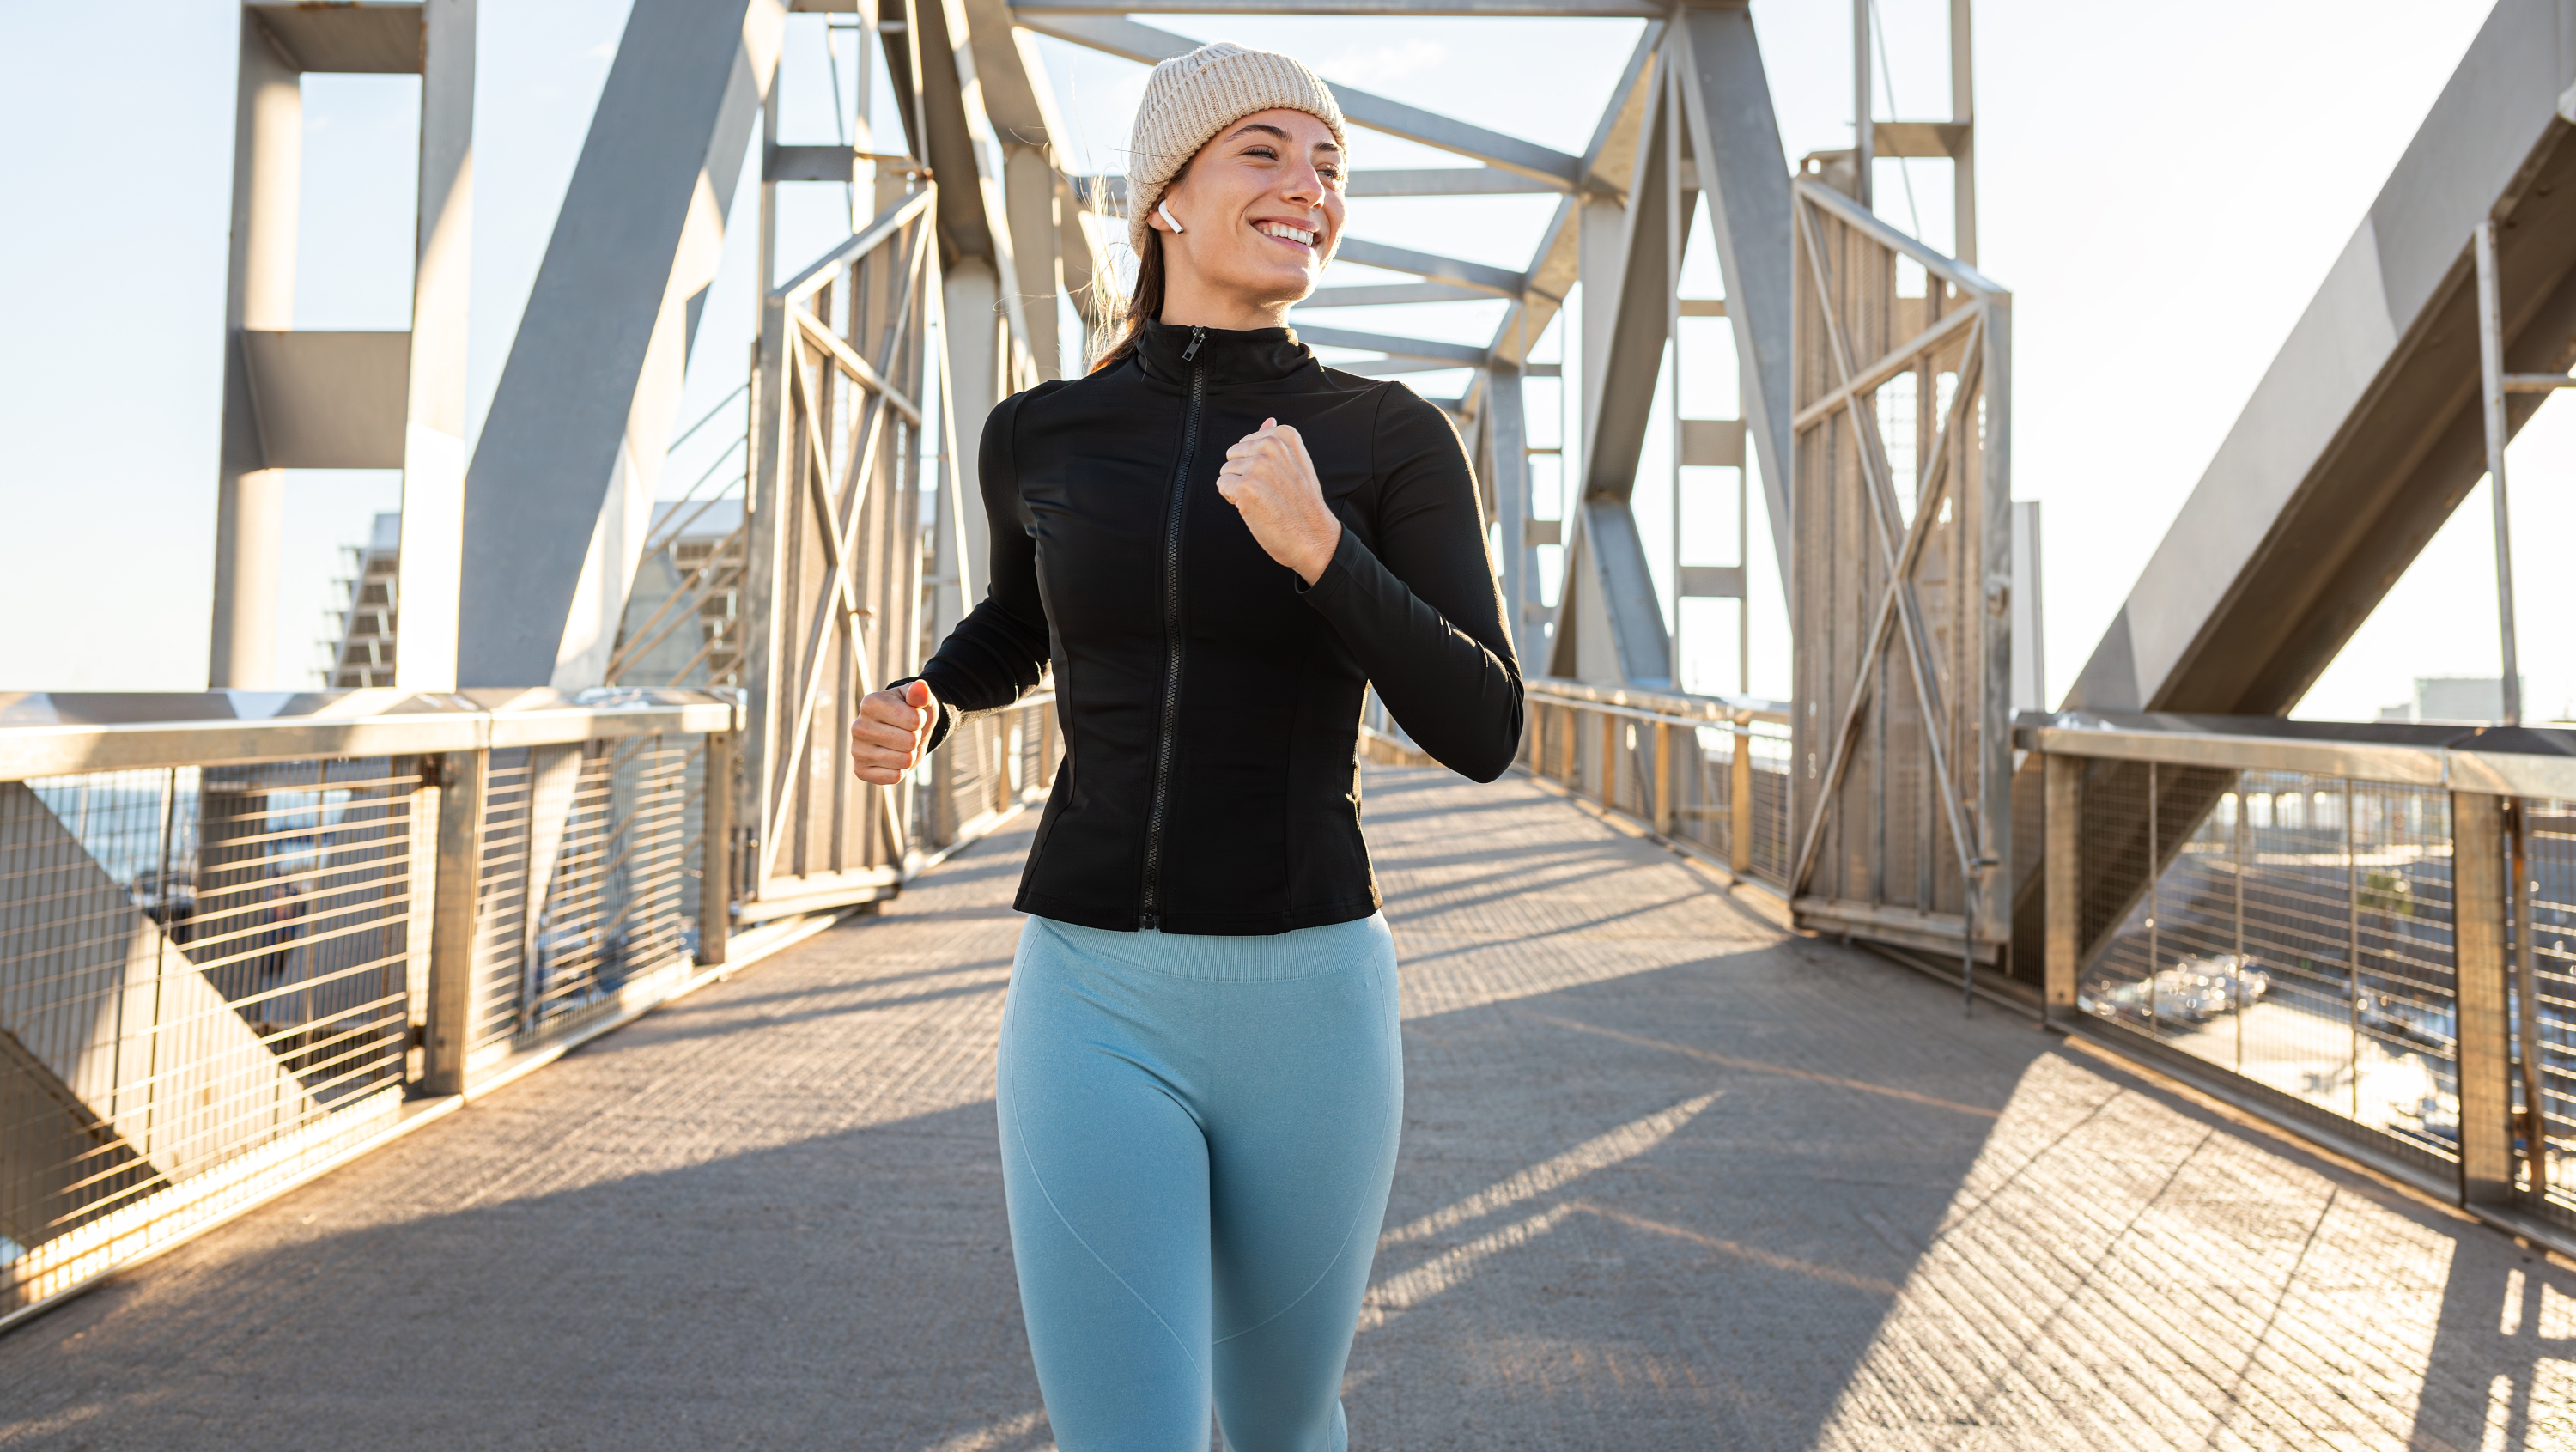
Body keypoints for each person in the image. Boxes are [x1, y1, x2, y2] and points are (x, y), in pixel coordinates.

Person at [848, 40, 1522, 1452]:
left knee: (1283, 1430)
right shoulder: (1042, 433)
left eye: (1330, 165)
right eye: (1265, 153)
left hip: (1313, 999)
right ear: (1166, 198)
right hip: (1092, 992)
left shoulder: (1387, 440)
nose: (1310, 190)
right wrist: (932, 692)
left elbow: (1483, 726)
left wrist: (1321, 549)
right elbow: (1025, 621)